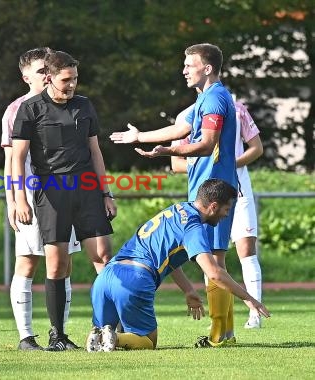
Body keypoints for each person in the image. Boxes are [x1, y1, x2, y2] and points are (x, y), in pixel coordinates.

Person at [110, 43, 238, 346]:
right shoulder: (204, 100)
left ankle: (222, 334)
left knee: (215, 262)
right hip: (204, 191)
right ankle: (225, 333)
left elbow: (207, 143)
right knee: (213, 262)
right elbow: (178, 127)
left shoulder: (216, 98)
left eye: (189, 64)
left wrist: (171, 151)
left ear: (206, 68)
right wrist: (140, 136)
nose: (184, 70)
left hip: (215, 192)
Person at [87, 179, 270, 352]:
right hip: (135, 279)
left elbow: (169, 259)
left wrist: (188, 290)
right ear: (213, 206)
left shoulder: (177, 209)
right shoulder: (193, 227)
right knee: (148, 342)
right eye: (226, 209)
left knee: (105, 328)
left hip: (106, 276)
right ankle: (114, 338)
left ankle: (99, 335)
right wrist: (249, 299)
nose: (227, 215)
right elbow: (214, 273)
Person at [12, 50, 116, 351]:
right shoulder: (30, 109)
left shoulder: (84, 106)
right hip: (51, 192)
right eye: (66, 80)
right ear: (49, 78)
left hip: (86, 189)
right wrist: (20, 199)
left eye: (75, 79)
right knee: (57, 265)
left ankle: (107, 327)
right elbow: (18, 159)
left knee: (104, 257)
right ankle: (57, 336)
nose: (72, 85)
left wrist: (106, 192)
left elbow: (95, 151)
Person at [1, 47, 83, 350]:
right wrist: (16, 200)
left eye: (47, 70)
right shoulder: (17, 109)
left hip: (64, 195)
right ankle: (25, 336)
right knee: (28, 262)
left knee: (63, 263)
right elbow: (12, 159)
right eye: (39, 72)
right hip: (33, 196)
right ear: (26, 77)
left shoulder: (67, 105)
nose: (46, 76)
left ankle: (57, 333)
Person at [171, 100, 264, 329]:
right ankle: (220, 323)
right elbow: (176, 163)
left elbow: (257, 148)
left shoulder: (237, 108)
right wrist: (208, 167)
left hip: (238, 190)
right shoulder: (186, 115)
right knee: (211, 255)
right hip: (207, 197)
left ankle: (256, 314)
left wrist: (228, 166)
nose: (186, 72)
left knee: (246, 248)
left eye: (190, 67)